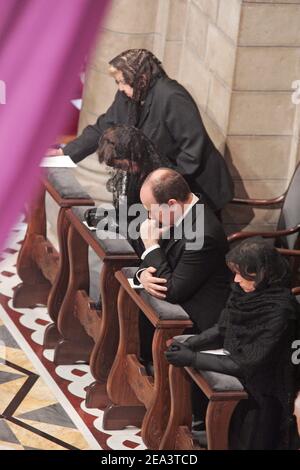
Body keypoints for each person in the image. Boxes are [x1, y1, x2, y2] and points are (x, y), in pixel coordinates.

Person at [56, 49, 234, 213]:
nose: (120, 88)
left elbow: (193, 152)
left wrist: (160, 184)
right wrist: (65, 153)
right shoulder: (129, 95)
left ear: (140, 78)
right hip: (160, 183)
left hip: (195, 187)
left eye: (123, 82)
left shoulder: (172, 97)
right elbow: (104, 127)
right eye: (118, 82)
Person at [165, 238, 300, 450]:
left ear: (262, 274)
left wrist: (192, 358)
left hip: (263, 387)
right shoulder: (244, 292)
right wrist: (192, 343)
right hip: (242, 362)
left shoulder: (280, 310)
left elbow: (247, 364)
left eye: (242, 274)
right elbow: (222, 328)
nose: (236, 280)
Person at [134, 168, 232, 354]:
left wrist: (151, 245)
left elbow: (172, 290)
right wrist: (143, 275)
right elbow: (156, 262)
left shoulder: (203, 235)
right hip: (182, 302)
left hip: (198, 322)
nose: (149, 217)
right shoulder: (183, 213)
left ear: (171, 203)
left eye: (151, 210)